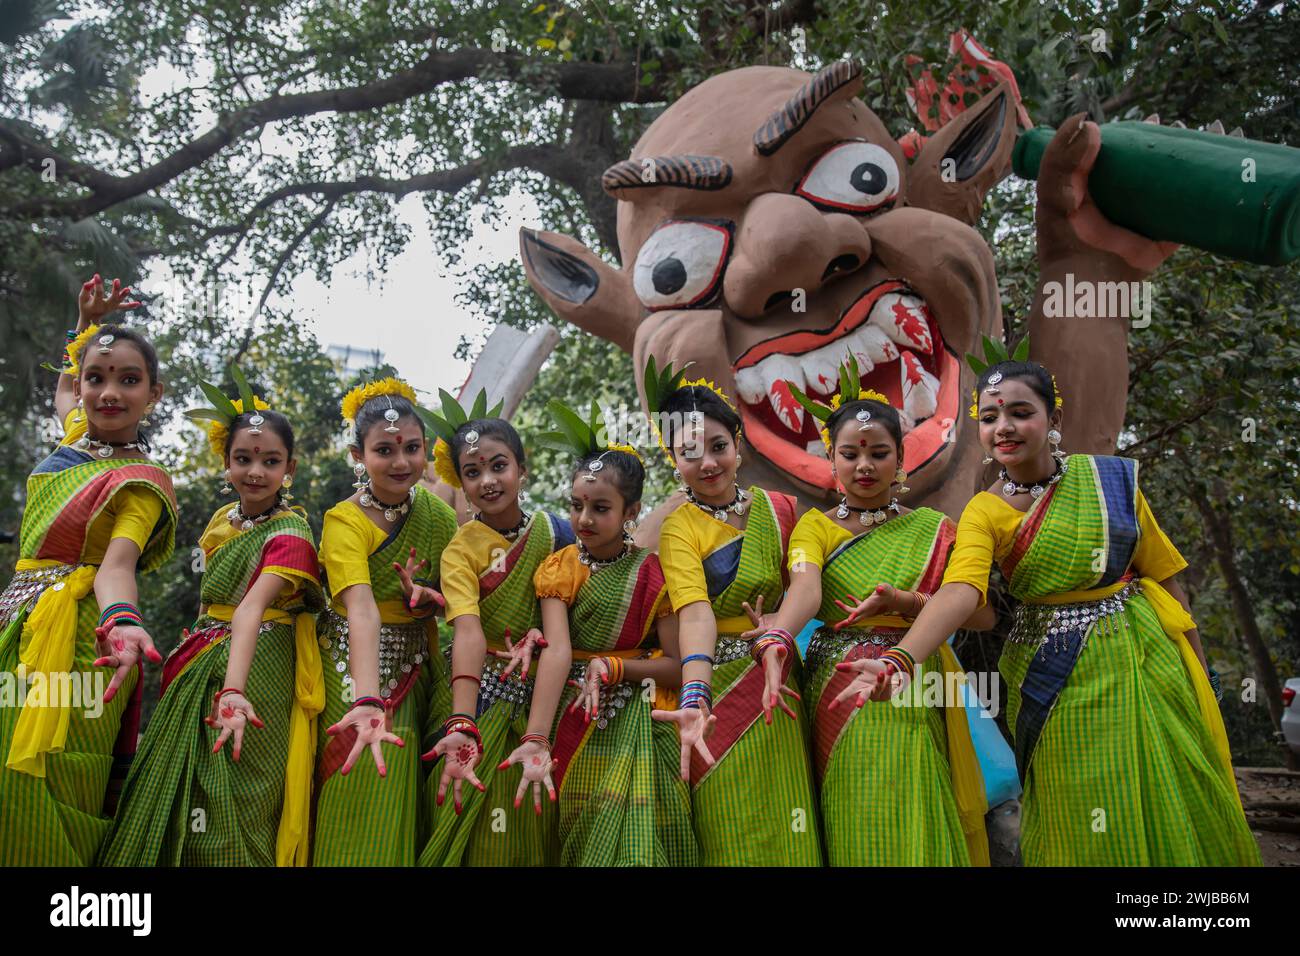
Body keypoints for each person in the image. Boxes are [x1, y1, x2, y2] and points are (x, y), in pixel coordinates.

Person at [849, 344, 1262, 866]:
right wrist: (900, 658)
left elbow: (1166, 575)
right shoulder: (986, 510)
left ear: (1054, 418)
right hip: (1051, 675)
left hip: (1145, 660)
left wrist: (1197, 669)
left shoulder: (1109, 479)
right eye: (991, 416)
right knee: (1076, 799)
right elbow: (962, 592)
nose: (1005, 427)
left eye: (1021, 413)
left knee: (1174, 782)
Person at [758, 360, 992, 865]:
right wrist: (779, 635)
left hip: (914, 677)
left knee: (917, 802)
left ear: (900, 460)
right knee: (854, 812)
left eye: (878, 453)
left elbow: (981, 615)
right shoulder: (814, 529)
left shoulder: (933, 527)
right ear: (832, 460)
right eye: (850, 454)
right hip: (839, 683)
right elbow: (806, 590)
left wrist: (907, 604)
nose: (864, 465)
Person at [101, 370, 324, 865]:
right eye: (243, 459)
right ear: (226, 464)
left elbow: (249, 609)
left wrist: (234, 690)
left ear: (290, 467)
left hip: (261, 666)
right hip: (202, 658)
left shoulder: (293, 533)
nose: (255, 472)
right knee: (189, 780)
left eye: (270, 461)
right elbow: (211, 605)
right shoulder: (223, 522)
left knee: (245, 787)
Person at [0, 275, 177, 865]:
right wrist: (85, 329)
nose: (107, 393)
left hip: (84, 641)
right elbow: (65, 389)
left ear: (154, 393)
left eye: (129, 380)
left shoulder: (141, 480)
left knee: (57, 779)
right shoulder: (75, 440)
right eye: (96, 379)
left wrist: (123, 622)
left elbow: (115, 567)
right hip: (16, 624)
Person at [645, 358, 823, 866]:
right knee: (732, 824)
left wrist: (781, 625)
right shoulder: (680, 527)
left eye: (719, 446)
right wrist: (696, 694)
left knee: (792, 818)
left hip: (780, 678)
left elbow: (808, 591)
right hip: (716, 685)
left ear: (739, 445)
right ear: (673, 462)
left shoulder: (784, 510)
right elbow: (696, 613)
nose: (708, 464)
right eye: (689, 453)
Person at [531, 399, 695, 866]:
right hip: (572, 712)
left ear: (632, 510)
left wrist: (617, 667)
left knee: (637, 841)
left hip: (638, 720)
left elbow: (677, 667)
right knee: (580, 832)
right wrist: (536, 737)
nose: (583, 519)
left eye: (600, 507)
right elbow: (558, 651)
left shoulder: (654, 574)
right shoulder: (558, 569)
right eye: (576, 506)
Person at [418, 391, 574, 866]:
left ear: (522, 470)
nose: (487, 480)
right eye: (472, 472)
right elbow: (466, 630)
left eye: (498, 466)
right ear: (460, 483)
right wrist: (463, 724)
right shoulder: (460, 550)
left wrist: (537, 638)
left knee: (531, 827)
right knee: (468, 826)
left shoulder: (558, 534)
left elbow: (572, 627)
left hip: (543, 699)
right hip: (476, 694)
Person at [312, 377, 458, 866]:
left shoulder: (438, 516)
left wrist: (432, 601)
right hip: (349, 671)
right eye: (384, 450)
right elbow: (361, 608)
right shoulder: (344, 521)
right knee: (353, 780)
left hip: (416, 670)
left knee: (396, 792)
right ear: (358, 455)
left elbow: (461, 598)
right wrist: (368, 697)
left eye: (412, 448)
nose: (401, 462)